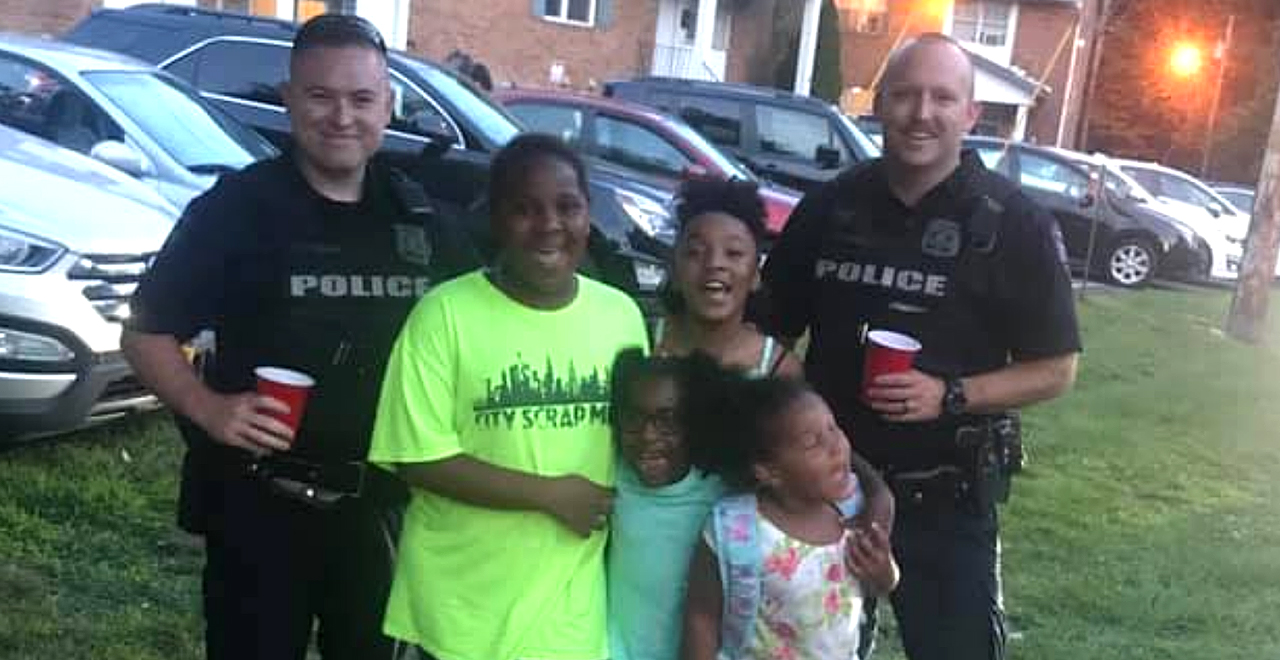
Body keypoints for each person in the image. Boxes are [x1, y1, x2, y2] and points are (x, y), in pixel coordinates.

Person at [120, 14, 479, 660]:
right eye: (320, 96)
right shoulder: (238, 209)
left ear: (387, 106)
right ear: (289, 100)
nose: (342, 116)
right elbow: (146, 331)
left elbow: (486, 328)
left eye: (362, 98)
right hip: (260, 512)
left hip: (382, 514)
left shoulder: (421, 219)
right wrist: (209, 408)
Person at [759, 33, 1082, 660]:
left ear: (970, 114)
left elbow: (1058, 369)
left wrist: (952, 394)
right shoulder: (831, 208)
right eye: (905, 95)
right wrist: (796, 395)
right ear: (880, 104)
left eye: (942, 97)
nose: (921, 113)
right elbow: (768, 328)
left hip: (948, 501)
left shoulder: (1013, 222)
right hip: (830, 491)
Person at [367, 133, 649, 660]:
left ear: (589, 214)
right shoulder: (443, 316)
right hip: (460, 612)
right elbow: (417, 459)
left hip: (570, 614)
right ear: (495, 219)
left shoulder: (621, 318)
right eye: (524, 209)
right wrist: (551, 494)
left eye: (568, 206)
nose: (549, 225)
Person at [679, 365, 900, 660]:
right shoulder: (736, 529)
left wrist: (885, 572)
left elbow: (878, 586)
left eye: (833, 428)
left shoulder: (856, 512)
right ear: (768, 471)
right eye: (812, 442)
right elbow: (701, 617)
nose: (836, 447)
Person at [606, 349, 726, 660]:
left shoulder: (719, 494)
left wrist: (874, 490)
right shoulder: (612, 475)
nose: (648, 436)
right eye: (634, 419)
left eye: (667, 421)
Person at [653, 178, 802, 378]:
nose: (714, 263)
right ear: (674, 270)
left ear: (756, 275)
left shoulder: (779, 368)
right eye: (695, 252)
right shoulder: (642, 341)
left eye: (733, 252)